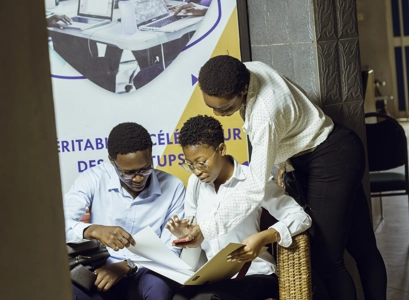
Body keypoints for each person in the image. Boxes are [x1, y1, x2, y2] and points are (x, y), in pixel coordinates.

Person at [181, 55, 387, 300]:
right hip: (329, 151)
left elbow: (254, 188)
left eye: (224, 108)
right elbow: (289, 123)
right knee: (362, 248)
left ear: (243, 88)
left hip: (331, 157)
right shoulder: (245, 70)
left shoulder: (264, 114)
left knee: (326, 259)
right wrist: (285, 163)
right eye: (211, 106)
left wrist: (206, 228)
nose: (218, 113)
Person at [166, 115, 312, 300]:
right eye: (190, 164)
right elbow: (200, 241)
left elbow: (300, 217)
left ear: (221, 149)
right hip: (215, 279)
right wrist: (187, 236)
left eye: (202, 162)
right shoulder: (195, 184)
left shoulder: (253, 181)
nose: (196, 171)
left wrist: (264, 237)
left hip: (256, 275)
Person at [63, 122, 185, 299]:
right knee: (69, 291)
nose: (137, 178)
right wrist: (93, 230)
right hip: (101, 268)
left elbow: (171, 250)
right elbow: (59, 226)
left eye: (145, 169)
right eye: (128, 173)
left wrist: (128, 264)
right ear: (112, 161)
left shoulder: (173, 187)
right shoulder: (93, 179)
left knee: (158, 287)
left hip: (148, 270)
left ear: (151, 155)